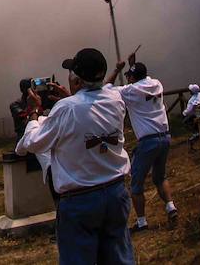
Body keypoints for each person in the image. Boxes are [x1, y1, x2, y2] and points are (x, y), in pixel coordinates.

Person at [16, 48, 133, 265]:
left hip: (80, 201)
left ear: (77, 80)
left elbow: (33, 143)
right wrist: (72, 97)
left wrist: (33, 112)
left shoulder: (66, 109)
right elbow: (91, 106)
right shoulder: (116, 99)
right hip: (116, 193)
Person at [109, 53, 178, 230]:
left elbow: (106, 88)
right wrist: (133, 66)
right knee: (160, 176)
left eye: (129, 76)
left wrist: (118, 69)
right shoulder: (157, 84)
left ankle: (141, 222)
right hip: (165, 137)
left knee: (136, 185)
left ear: (132, 77)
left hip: (147, 142)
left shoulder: (130, 91)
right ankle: (171, 206)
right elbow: (142, 79)